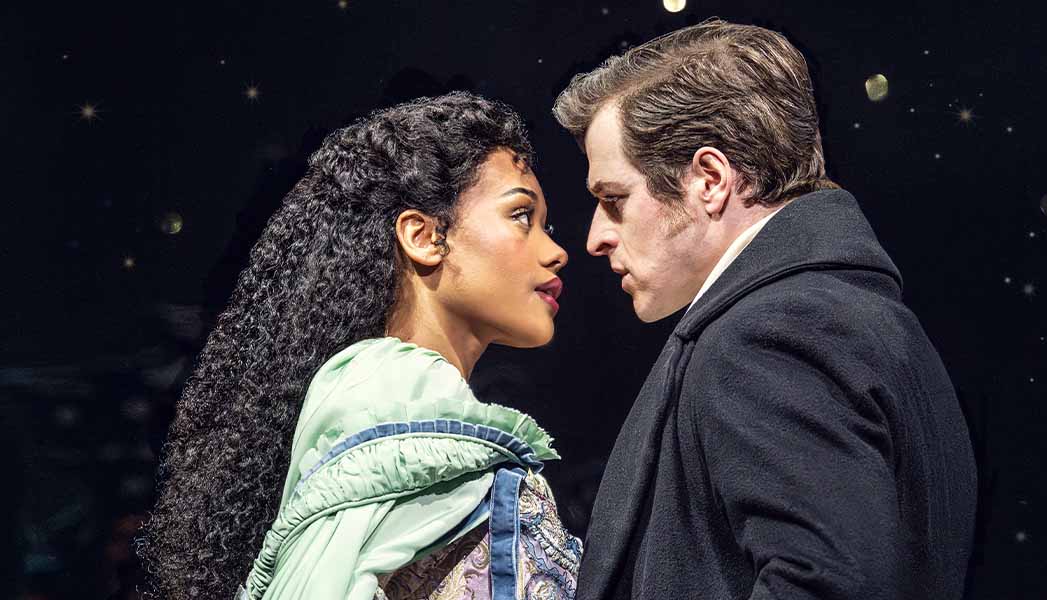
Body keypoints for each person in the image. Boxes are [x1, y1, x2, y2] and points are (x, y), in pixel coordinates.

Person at [552, 19, 978, 600]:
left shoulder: (770, 335)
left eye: (614, 199)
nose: (596, 237)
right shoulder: (849, 316)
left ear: (709, 180)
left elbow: (828, 584)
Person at [137, 93, 581, 600]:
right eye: (521, 215)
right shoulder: (392, 402)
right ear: (424, 236)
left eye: (546, 225)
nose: (556, 251)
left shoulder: (394, 414)